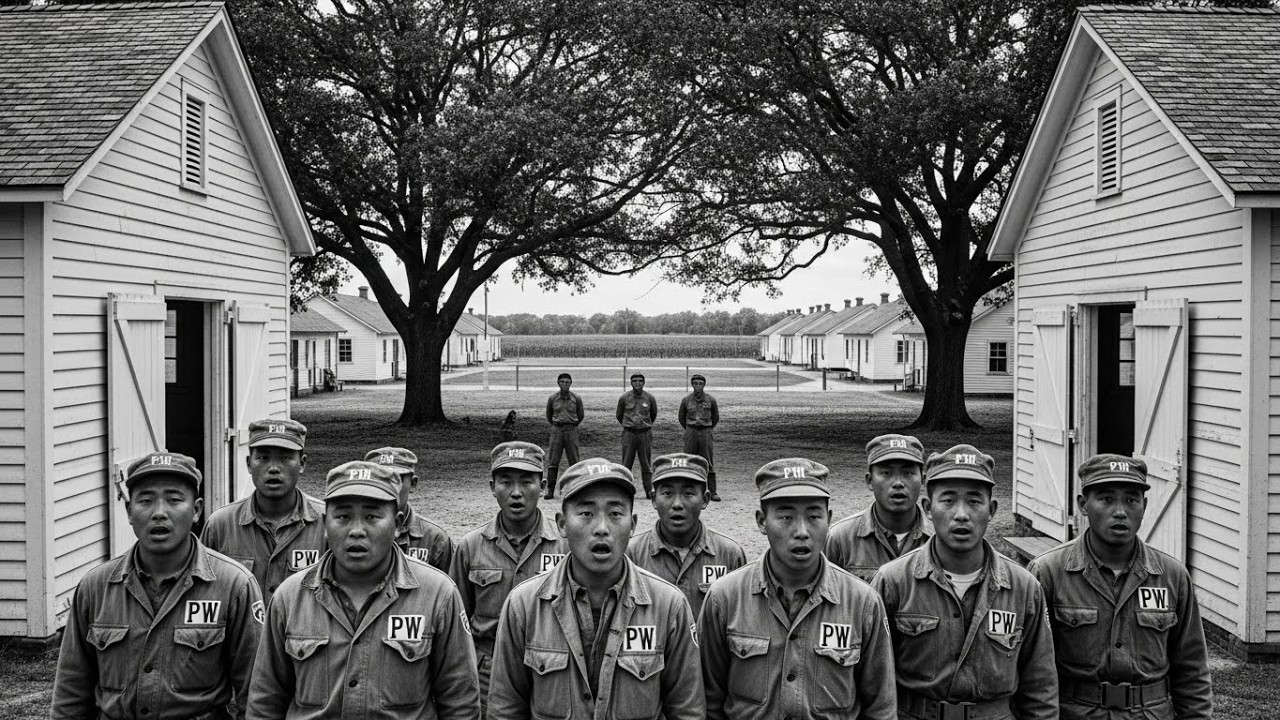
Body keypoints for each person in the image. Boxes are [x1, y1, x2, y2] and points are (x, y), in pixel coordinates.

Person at [248, 461, 480, 719]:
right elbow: (265, 702)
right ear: (325, 523)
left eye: (372, 517)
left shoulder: (438, 595)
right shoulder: (290, 597)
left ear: (398, 523)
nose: (356, 531)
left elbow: (460, 704)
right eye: (343, 517)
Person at [488, 458, 704, 719]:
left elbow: (687, 710)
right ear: (562, 524)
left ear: (633, 524)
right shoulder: (524, 604)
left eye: (615, 514)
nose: (602, 529)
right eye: (586, 513)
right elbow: (505, 709)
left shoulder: (668, 605)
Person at [53, 452, 263, 720]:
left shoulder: (233, 585)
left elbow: (255, 694)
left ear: (196, 510)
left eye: (174, 500)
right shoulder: (96, 587)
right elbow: (71, 693)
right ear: (129, 512)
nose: (159, 513)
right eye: (146, 500)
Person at [699, 457, 897, 720]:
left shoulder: (862, 602)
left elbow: (880, 708)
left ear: (828, 521)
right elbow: (708, 701)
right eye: (785, 516)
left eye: (814, 516)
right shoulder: (724, 598)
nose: (802, 531)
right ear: (761, 521)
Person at [872, 444, 1057, 720]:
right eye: (948, 500)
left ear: (991, 509)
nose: (961, 514)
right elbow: (874, 683)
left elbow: (1040, 687)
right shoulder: (894, 581)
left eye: (974, 501)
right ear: (928, 508)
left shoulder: (1023, 587)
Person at [1028, 455, 1212, 720]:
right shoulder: (1049, 573)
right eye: (1106, 499)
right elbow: (1033, 674)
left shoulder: (1171, 576)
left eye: (1131, 500)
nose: (1120, 511)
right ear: (1083, 505)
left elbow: (1192, 670)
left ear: (1144, 505)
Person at [450, 441, 569, 718]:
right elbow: (458, 623)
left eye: (527, 482)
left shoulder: (564, 546)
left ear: (543, 486)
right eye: (506, 482)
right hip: (486, 672)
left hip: (551, 668)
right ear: (492, 487)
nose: (516, 493)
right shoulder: (470, 547)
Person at [202, 418, 325, 606]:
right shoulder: (220, 525)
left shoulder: (327, 522)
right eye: (263, 458)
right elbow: (204, 593)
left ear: (302, 464)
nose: (274, 468)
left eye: (285, 458)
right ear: (249, 464)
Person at [626, 452, 745, 617]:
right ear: (653, 499)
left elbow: (739, 618)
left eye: (688, 493)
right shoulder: (631, 555)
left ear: (705, 499)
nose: (677, 504)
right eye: (667, 493)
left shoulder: (730, 554)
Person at [825, 434, 930, 582]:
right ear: (870, 481)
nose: (898, 483)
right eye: (886, 473)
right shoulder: (840, 539)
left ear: (923, 480)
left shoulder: (940, 537)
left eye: (908, 473)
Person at [365, 446, 454, 571]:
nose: (387, 488)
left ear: (413, 483)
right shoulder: (351, 532)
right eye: (379, 480)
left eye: (396, 480)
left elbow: (449, 588)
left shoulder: (434, 539)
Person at [678, 373, 722, 501]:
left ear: (704, 385)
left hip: (705, 432)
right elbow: (681, 417)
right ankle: (687, 490)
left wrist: (706, 428)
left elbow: (715, 417)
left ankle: (712, 491)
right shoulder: (686, 400)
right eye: (695, 383)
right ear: (692, 385)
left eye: (700, 384)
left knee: (708, 461)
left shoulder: (710, 400)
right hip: (691, 431)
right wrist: (690, 429)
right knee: (688, 460)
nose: (697, 386)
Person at [616, 372, 658, 498]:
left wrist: (643, 425)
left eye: (640, 381)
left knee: (646, 465)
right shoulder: (624, 398)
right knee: (626, 464)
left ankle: (649, 491)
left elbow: (653, 414)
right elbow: (619, 415)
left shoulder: (649, 398)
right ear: (631, 383)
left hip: (644, 434)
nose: (637, 383)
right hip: (629, 434)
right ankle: (624, 491)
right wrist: (630, 425)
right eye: (635, 381)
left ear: (644, 382)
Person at [544, 372, 585, 499]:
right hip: (557, 430)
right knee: (553, 461)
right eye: (562, 382)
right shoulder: (553, 398)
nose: (565, 384)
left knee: (574, 461)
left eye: (567, 382)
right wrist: (557, 425)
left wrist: (572, 425)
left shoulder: (576, 398)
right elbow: (549, 414)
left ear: (571, 383)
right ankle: (550, 490)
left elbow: (580, 415)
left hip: (571, 430)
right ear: (558, 383)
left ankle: (576, 488)